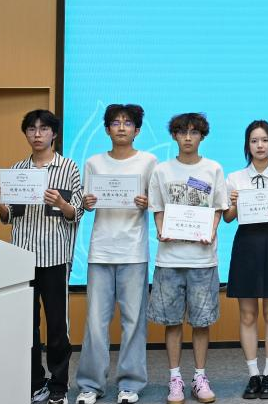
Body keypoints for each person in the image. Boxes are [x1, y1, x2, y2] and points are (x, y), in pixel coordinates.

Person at [0, 109, 84, 404]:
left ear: (54, 134)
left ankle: (58, 386)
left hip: (55, 257)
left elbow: (77, 213)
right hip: (22, 259)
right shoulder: (17, 170)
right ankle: (35, 383)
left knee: (57, 326)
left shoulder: (68, 168)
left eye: (43, 129)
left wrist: (62, 203)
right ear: (26, 134)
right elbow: (10, 216)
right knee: (26, 326)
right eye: (31, 129)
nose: (37, 134)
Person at [75, 104, 157, 404]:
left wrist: (147, 201)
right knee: (95, 322)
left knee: (133, 321)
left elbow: (157, 201)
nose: (121, 127)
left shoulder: (149, 161)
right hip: (100, 250)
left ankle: (130, 384)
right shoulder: (94, 162)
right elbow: (86, 203)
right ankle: (90, 385)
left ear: (137, 130)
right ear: (107, 129)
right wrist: (87, 202)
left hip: (134, 250)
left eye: (128, 123)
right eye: (116, 122)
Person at [147, 113, 228, 404]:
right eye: (182, 132)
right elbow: (157, 207)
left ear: (202, 136)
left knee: (201, 322)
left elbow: (218, 207)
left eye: (194, 132)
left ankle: (199, 376)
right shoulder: (162, 170)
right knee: (172, 322)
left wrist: (211, 230)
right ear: (174, 136)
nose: (188, 137)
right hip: (169, 259)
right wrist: (161, 230)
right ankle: (175, 378)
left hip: (203, 260)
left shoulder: (213, 169)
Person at [223, 120, 268, 400]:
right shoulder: (235, 178)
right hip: (246, 244)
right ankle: (253, 374)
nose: (260, 145)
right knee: (247, 314)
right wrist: (232, 203)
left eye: (265, 140)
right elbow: (228, 218)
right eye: (254, 141)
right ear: (247, 145)